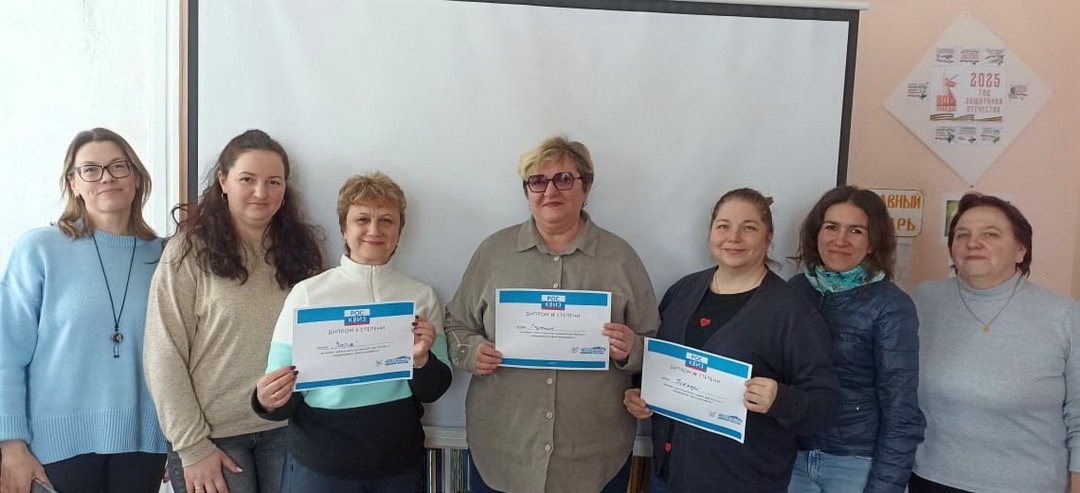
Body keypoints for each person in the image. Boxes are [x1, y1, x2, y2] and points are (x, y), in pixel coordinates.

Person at [444, 136, 660, 493]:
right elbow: (456, 324)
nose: (550, 191)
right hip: (503, 450)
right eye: (537, 181)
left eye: (564, 179)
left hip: (594, 455)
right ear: (527, 191)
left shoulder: (621, 258)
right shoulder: (493, 253)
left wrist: (631, 349)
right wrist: (471, 352)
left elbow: (653, 344)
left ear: (586, 187)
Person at [623, 187, 841, 493]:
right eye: (723, 226)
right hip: (666, 478)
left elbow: (825, 406)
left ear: (768, 237)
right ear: (711, 232)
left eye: (748, 228)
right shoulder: (682, 291)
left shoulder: (792, 311)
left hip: (744, 482)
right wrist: (639, 392)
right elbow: (658, 364)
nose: (733, 238)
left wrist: (781, 399)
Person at [143, 129, 323, 493]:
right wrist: (191, 447)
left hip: (289, 429)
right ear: (223, 182)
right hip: (212, 438)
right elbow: (163, 353)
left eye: (273, 182)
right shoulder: (187, 252)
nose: (261, 192)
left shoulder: (303, 251)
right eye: (247, 179)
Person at [253, 172, 452, 491]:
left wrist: (421, 359)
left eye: (386, 220)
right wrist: (266, 400)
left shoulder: (421, 296)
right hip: (321, 467)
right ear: (344, 228)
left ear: (399, 231)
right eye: (362, 219)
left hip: (398, 466)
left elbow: (434, 390)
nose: (374, 230)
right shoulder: (308, 295)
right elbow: (281, 398)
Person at [0, 128, 168, 493]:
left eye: (118, 166)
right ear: (73, 183)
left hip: (145, 445)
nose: (106, 177)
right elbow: (6, 354)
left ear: (137, 178)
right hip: (53, 448)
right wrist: (11, 445)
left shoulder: (165, 256)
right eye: (90, 169)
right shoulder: (39, 249)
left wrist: (179, 438)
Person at [910, 192, 1080, 493]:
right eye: (962, 235)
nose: (973, 243)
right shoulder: (922, 301)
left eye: (990, 234)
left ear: (1020, 250)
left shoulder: (1065, 316)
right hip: (929, 480)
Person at [787, 186, 924, 493]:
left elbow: (901, 409)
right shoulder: (795, 290)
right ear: (817, 233)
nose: (840, 240)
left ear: (873, 242)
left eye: (856, 231)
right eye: (831, 227)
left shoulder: (891, 305)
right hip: (793, 458)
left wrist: (885, 486)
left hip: (855, 464)